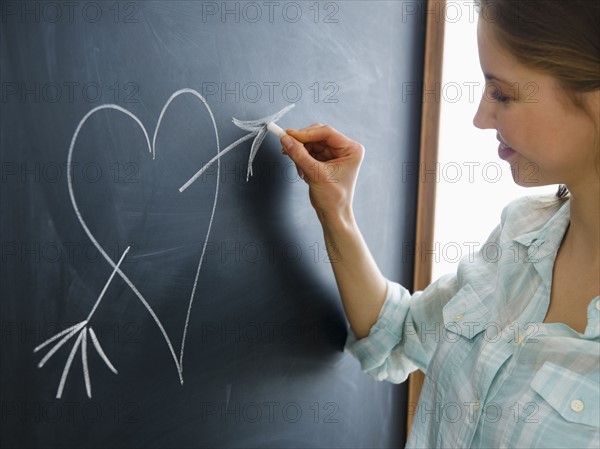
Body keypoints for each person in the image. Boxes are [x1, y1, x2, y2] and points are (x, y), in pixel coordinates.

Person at [277, 1, 599, 448]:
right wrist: (337, 211)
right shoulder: (521, 232)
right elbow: (396, 337)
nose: (480, 118)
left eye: (503, 94)